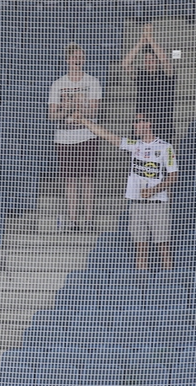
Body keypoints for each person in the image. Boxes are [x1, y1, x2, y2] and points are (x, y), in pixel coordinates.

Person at [77, 111, 179, 271]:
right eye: (135, 122)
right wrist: (84, 120)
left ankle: (169, 282)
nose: (134, 125)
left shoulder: (165, 147)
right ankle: (141, 284)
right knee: (140, 249)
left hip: (158, 205)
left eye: (138, 122)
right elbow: (107, 135)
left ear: (148, 123)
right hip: (136, 205)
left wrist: (154, 190)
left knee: (163, 248)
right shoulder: (134, 145)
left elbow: (173, 176)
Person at [48, 42, 103, 232]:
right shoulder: (58, 84)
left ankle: (88, 219)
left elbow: (95, 113)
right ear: (67, 60)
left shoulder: (92, 82)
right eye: (73, 57)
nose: (77, 60)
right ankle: (72, 220)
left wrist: (82, 105)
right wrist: (70, 106)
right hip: (64, 138)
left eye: (80, 57)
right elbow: (52, 115)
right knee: (70, 179)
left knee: (87, 178)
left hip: (86, 136)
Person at [121, 23, 176, 142]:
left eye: (151, 59)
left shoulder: (167, 75)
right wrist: (141, 41)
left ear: (157, 60)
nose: (148, 62)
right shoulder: (141, 75)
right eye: (146, 60)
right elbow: (125, 64)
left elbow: (165, 61)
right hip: (142, 125)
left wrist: (150, 39)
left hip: (162, 125)